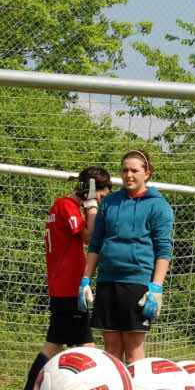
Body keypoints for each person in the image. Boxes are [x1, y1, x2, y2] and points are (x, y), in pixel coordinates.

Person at [17, 166, 112, 390]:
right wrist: (91, 208)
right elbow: (89, 235)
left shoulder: (63, 206)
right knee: (85, 347)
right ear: (89, 191)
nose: (98, 204)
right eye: (99, 197)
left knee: (56, 345)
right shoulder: (66, 205)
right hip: (69, 287)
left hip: (65, 286)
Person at [78, 149, 174, 364]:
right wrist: (86, 280)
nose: (128, 175)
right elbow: (96, 244)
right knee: (111, 352)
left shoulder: (158, 206)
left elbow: (163, 250)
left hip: (136, 284)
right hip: (107, 282)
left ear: (146, 173)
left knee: (133, 351)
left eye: (134, 170)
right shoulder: (110, 203)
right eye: (124, 170)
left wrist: (156, 288)